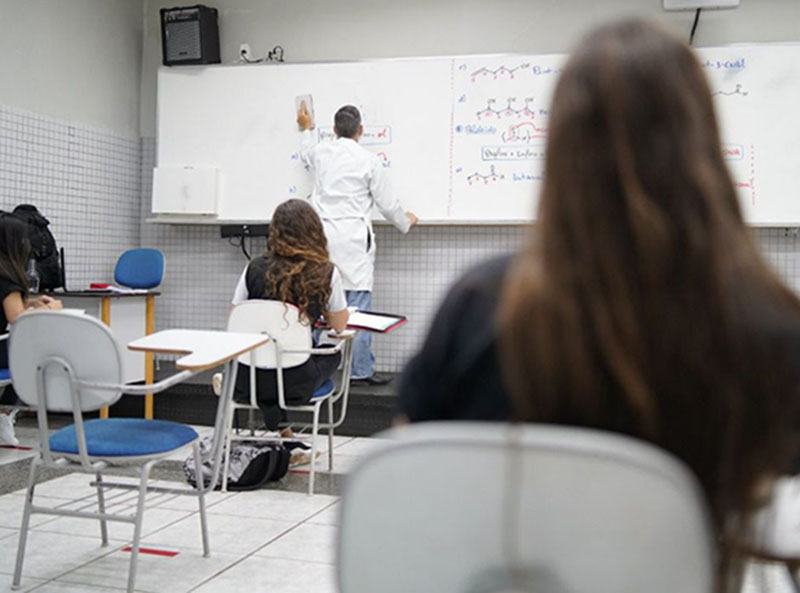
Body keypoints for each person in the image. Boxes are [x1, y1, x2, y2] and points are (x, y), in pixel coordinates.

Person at [399, 19, 800, 593]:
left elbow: (408, 480)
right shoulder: (775, 329)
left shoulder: (482, 306)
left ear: (561, 150)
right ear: (703, 147)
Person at [297, 104, 417, 386]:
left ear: (335, 130)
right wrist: (406, 222)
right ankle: (360, 371)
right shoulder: (369, 161)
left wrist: (306, 128)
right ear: (360, 130)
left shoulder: (322, 151)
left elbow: (306, 153)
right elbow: (388, 205)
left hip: (323, 239)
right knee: (358, 308)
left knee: (318, 301)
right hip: (353, 240)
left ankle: (307, 365)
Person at [230, 199, 348, 438]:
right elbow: (339, 325)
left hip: (247, 379)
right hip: (295, 384)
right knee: (332, 352)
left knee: (272, 357)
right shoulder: (326, 272)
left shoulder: (253, 268)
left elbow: (235, 317)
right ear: (315, 232)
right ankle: (287, 437)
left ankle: (286, 435)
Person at [0, 213, 61, 446]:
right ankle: (4, 415)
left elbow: (10, 306)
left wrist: (31, 303)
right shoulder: (6, 277)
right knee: (38, 357)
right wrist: (50, 310)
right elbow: (17, 318)